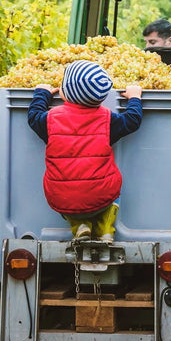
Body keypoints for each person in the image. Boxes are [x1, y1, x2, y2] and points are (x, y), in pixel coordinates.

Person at [28, 60, 142, 242]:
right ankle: (105, 228)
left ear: (67, 93)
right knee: (112, 187)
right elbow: (132, 120)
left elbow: (33, 116)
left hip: (63, 201)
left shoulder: (50, 120)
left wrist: (42, 94)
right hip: (101, 198)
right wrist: (135, 97)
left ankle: (79, 226)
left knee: (70, 195)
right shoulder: (107, 120)